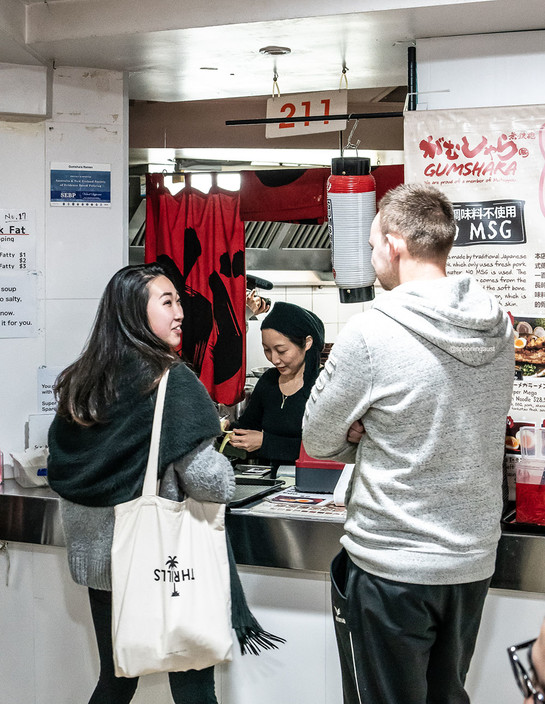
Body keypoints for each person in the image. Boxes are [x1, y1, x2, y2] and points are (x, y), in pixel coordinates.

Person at [302, 183, 515, 704]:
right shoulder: (501, 326)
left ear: (393, 245)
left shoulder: (372, 331)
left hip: (392, 564)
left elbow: (318, 436)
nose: (373, 256)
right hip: (470, 562)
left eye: (373, 243)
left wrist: (369, 432)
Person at [47, 263, 235, 704]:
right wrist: (226, 469)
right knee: (192, 683)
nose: (180, 313)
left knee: (116, 679)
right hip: (158, 560)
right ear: (134, 313)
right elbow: (209, 480)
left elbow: (68, 468)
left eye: (178, 302)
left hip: (100, 563)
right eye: (167, 302)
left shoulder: (81, 382)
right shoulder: (169, 380)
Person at [228, 301, 324, 472]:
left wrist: (266, 442)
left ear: (307, 343)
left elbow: (323, 450)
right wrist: (227, 429)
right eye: (267, 350)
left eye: (281, 350)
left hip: (312, 480)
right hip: (270, 481)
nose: (274, 359)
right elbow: (249, 425)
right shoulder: (269, 380)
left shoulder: (323, 387)